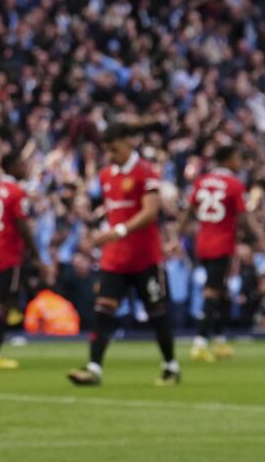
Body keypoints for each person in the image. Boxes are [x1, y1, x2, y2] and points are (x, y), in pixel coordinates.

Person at [68, 123, 180, 387]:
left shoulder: (146, 172)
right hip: (115, 259)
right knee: (103, 311)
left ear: (128, 143)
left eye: (115, 149)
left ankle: (171, 366)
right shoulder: (107, 175)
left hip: (145, 258)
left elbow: (150, 212)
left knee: (157, 312)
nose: (111, 155)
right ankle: (94, 368)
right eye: (107, 150)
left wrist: (117, 230)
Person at [183, 145, 265, 362]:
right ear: (228, 160)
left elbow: (189, 211)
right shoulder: (234, 184)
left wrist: (180, 232)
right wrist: (258, 239)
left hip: (202, 243)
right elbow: (244, 216)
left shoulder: (201, 181)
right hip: (222, 244)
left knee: (220, 290)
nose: (240, 163)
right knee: (212, 291)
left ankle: (218, 340)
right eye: (237, 158)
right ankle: (200, 342)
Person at [0, 151, 40, 369]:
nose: (26, 168)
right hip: (7, 252)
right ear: (11, 167)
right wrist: (36, 254)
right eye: (22, 164)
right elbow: (22, 226)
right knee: (5, 303)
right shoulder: (15, 192)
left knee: (0, 301)